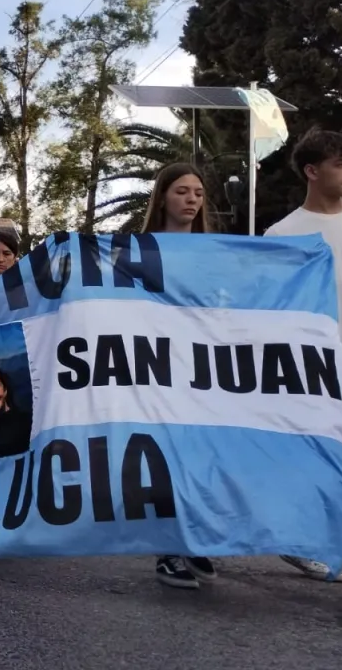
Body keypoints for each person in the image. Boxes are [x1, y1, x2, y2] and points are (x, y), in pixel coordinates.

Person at [263, 129, 342, 584]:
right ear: (313, 172)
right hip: (312, 372)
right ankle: (301, 542)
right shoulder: (283, 234)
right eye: (340, 163)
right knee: (315, 457)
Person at [137, 162, 218, 589]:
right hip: (153, 365)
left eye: (199, 193)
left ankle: (193, 537)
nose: (192, 200)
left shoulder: (215, 251)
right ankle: (168, 547)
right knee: (164, 455)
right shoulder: (139, 250)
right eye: (183, 192)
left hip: (201, 366)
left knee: (198, 452)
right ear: (163, 197)